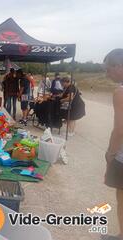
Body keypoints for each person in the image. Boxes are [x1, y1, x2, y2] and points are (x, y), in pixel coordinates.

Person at [102, 49, 123, 240]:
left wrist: (110, 153)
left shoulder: (120, 91)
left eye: (108, 70)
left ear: (119, 67)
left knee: (122, 197)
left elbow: (120, 130)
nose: (107, 74)